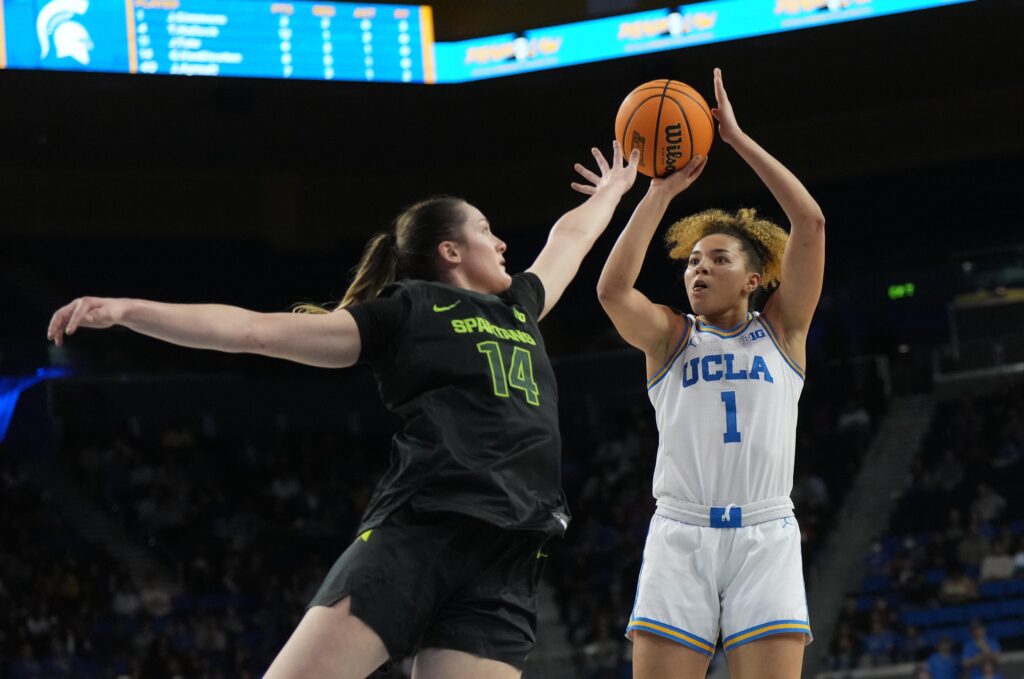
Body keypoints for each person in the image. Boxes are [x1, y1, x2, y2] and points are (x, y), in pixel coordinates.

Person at [47, 141, 641, 679]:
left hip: (508, 556)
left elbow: (569, 238)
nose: (504, 241)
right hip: (421, 534)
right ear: (450, 249)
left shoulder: (521, 305)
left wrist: (616, 190)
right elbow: (250, 330)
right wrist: (128, 309)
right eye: (487, 230)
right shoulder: (404, 312)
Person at [592, 68, 825, 678]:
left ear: (754, 279)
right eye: (693, 260)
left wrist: (739, 141)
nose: (698, 270)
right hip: (681, 534)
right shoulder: (670, 337)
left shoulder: (782, 333)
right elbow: (613, 291)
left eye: (718, 260)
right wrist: (658, 194)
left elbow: (811, 224)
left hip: (765, 533)